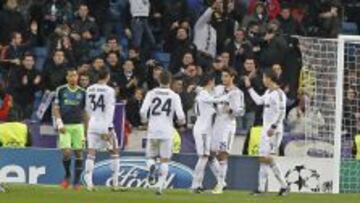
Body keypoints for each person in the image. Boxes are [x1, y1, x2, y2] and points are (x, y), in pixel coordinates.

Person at [244, 69, 289, 196]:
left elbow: (282, 112)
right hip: (266, 129)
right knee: (263, 158)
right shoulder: (268, 92)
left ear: (269, 78)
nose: (263, 80)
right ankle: (265, 188)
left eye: (264, 78)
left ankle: (278, 186)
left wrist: (274, 127)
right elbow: (259, 101)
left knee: (266, 158)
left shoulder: (279, 94)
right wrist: (249, 87)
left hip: (274, 130)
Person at [139, 70, 185, 195]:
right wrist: (182, 122)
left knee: (149, 157)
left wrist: (145, 121)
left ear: (158, 80)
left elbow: (143, 111)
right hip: (167, 131)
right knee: (165, 160)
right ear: (170, 81)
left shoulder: (151, 93)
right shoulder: (174, 95)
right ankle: (159, 187)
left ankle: (152, 167)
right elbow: (180, 116)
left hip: (153, 129)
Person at [84, 68, 120, 191]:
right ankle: (115, 184)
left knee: (91, 153)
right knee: (114, 152)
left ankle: (89, 184)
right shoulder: (110, 90)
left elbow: (87, 109)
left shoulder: (89, 89)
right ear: (107, 76)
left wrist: (91, 121)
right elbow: (110, 110)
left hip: (92, 123)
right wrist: (108, 128)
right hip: (105, 124)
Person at [191, 73, 228, 193]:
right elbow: (213, 99)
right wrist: (227, 97)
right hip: (202, 129)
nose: (214, 85)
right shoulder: (204, 95)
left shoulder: (203, 93)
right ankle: (195, 185)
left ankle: (221, 182)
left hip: (205, 129)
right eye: (214, 82)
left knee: (209, 156)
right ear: (210, 81)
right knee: (203, 157)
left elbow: (211, 98)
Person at [211, 68, 245, 194]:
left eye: (226, 76)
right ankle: (222, 182)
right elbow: (212, 101)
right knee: (210, 154)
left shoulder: (237, 92)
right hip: (217, 123)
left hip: (228, 125)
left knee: (223, 154)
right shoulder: (218, 89)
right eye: (222, 76)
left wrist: (231, 110)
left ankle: (220, 184)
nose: (223, 79)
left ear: (232, 77)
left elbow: (241, 111)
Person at [53, 69, 87, 191]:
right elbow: (56, 108)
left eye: (75, 76)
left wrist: (86, 130)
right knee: (67, 152)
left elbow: (85, 112)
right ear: (67, 77)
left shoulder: (83, 92)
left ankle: (77, 182)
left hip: (78, 126)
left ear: (77, 77)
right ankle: (67, 176)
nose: (73, 78)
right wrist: (59, 123)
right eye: (70, 75)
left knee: (78, 152)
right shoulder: (61, 90)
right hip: (65, 126)